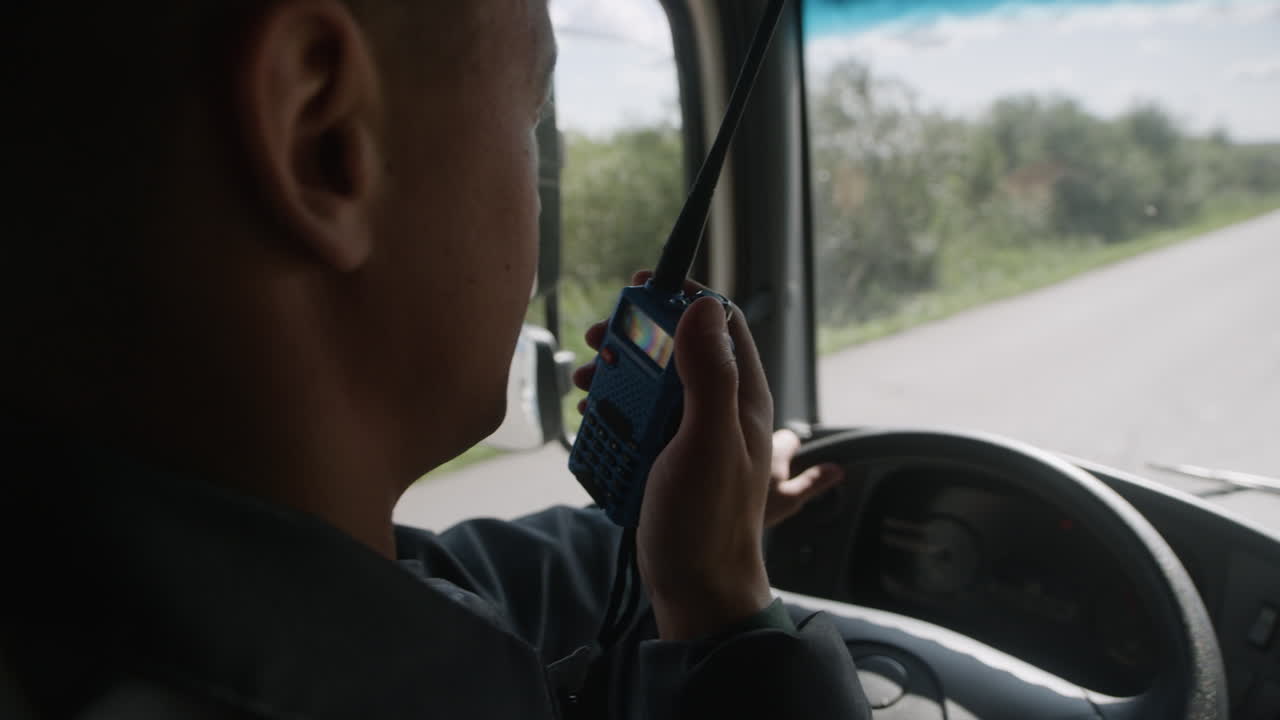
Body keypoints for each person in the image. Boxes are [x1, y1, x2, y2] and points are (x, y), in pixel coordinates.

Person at [0, 1, 871, 717]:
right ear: (325, 139)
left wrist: (682, 536)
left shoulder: (98, 592)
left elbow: (441, 584)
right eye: (532, 119)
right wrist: (729, 616)